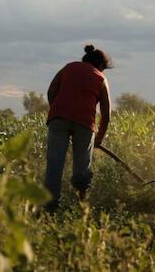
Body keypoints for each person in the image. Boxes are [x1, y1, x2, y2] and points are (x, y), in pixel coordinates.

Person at [44, 45, 112, 211]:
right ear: (101, 66)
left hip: (58, 119)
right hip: (84, 124)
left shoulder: (69, 68)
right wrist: (99, 139)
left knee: (54, 164)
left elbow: (51, 90)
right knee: (82, 169)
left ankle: (50, 208)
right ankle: (82, 208)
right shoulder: (100, 78)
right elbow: (106, 114)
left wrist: (58, 109)